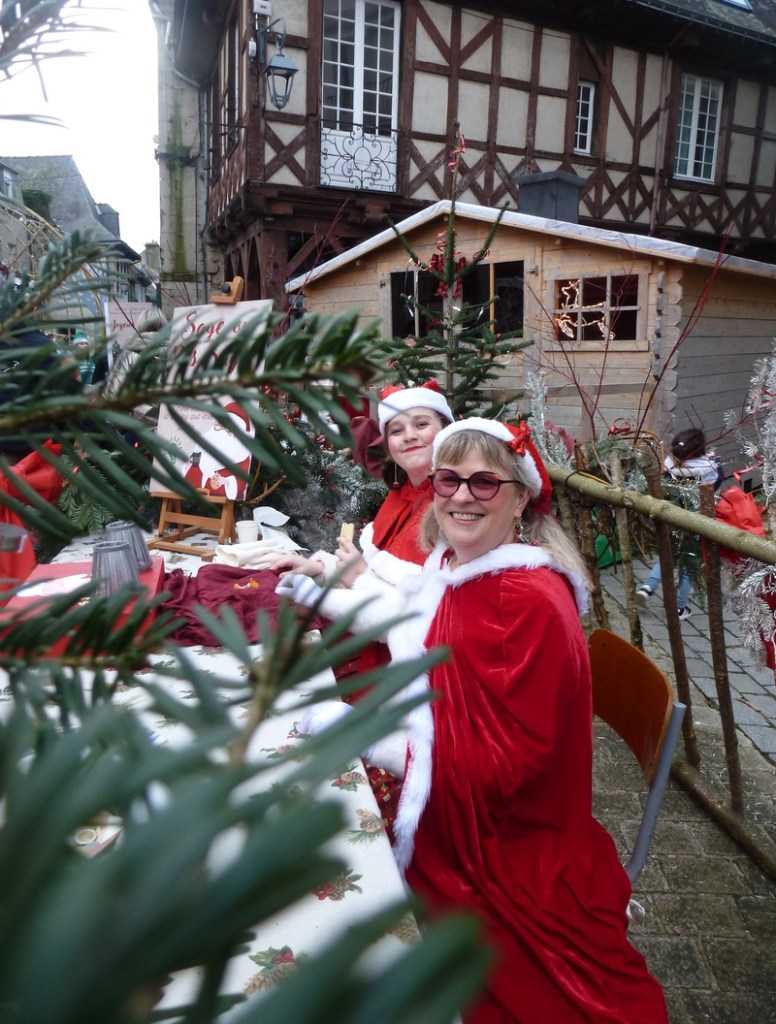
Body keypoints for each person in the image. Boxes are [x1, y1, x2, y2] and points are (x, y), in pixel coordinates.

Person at [279, 417, 668, 1024]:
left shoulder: (520, 603)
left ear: (520, 498)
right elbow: (415, 636)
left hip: (499, 842)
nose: (462, 495)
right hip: (453, 796)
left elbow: (503, 773)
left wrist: (360, 735)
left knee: (313, 867)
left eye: (484, 482)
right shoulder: (462, 572)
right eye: (449, 480)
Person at [270, 380, 454, 594]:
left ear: (446, 431)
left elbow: (437, 602)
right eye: (396, 430)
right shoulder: (398, 497)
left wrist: (361, 578)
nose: (409, 436)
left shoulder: (458, 503)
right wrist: (320, 568)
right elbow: (370, 570)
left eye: (421, 424)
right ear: (388, 446)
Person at [637, 427, 722, 620]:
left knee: (669, 556)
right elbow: (717, 482)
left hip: (672, 518)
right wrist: (714, 460)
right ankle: (679, 608)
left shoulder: (669, 467)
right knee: (688, 564)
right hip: (695, 522)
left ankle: (647, 587)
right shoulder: (709, 467)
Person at [103, 307, 168, 429]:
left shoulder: (128, 356)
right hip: (172, 427)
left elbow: (114, 396)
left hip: (138, 429)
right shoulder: (176, 351)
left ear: (140, 326)